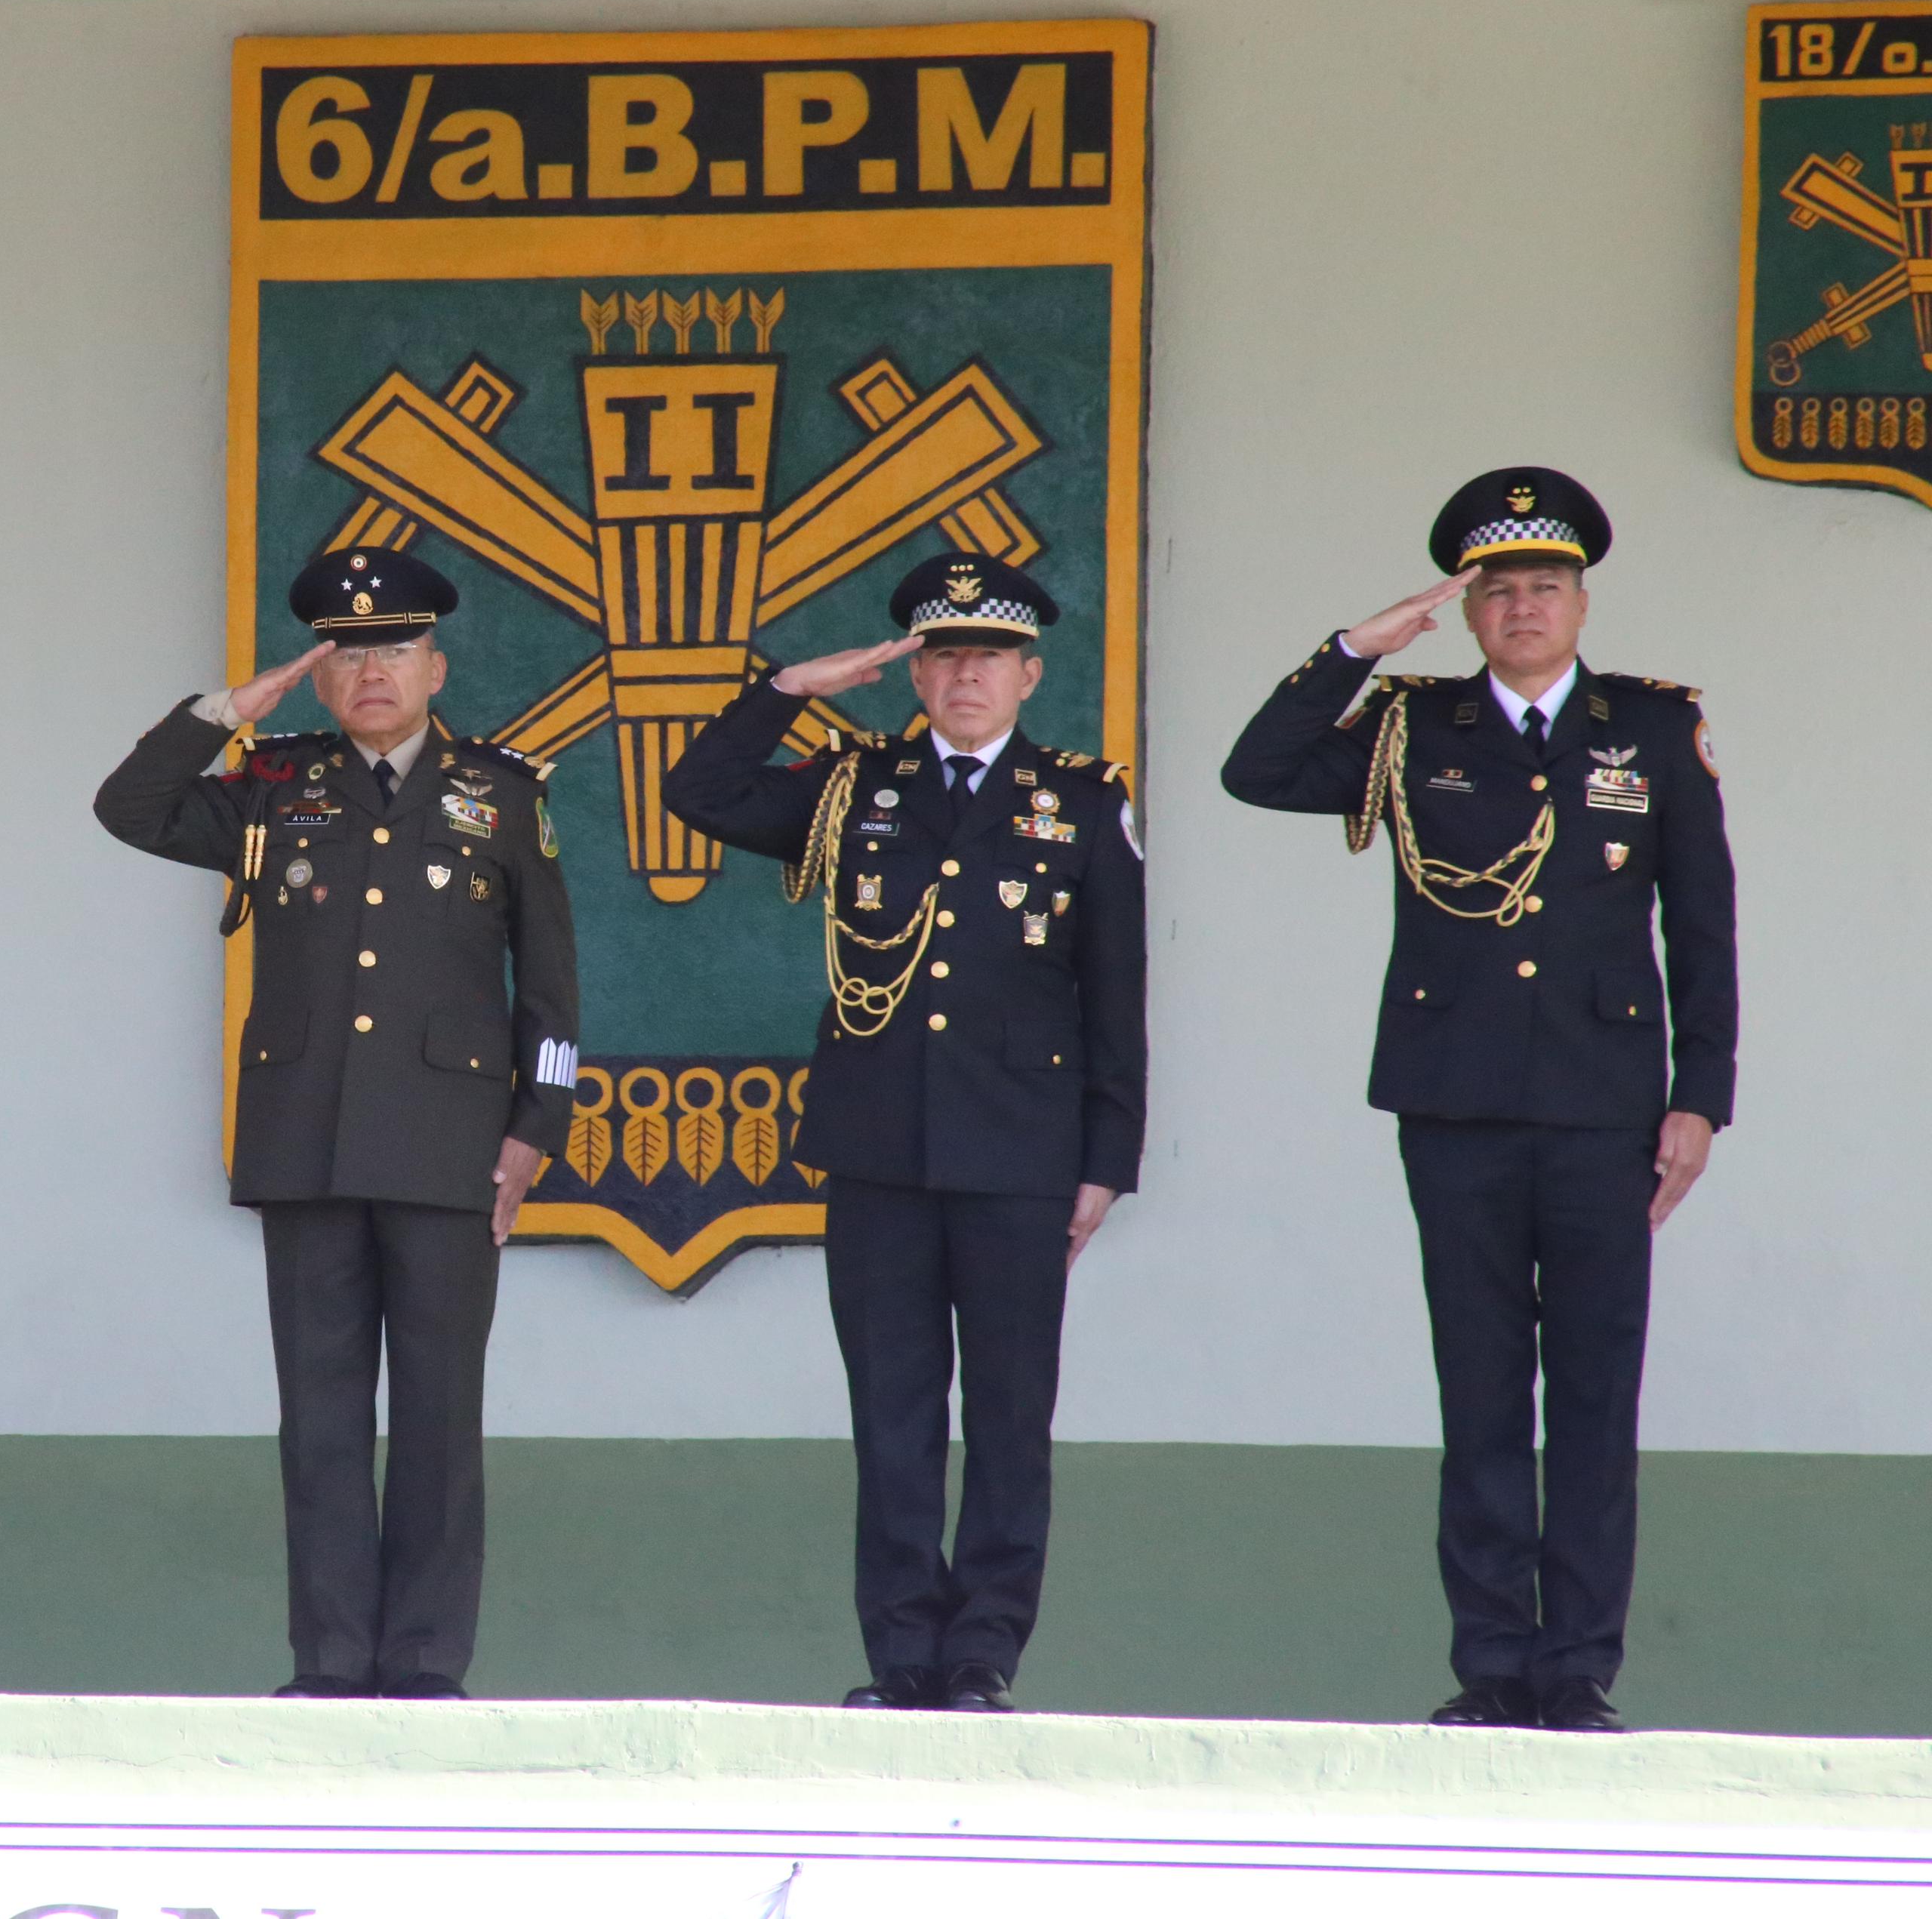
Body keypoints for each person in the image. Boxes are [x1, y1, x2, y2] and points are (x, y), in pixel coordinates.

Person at [1220, 466, 1735, 1733]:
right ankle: (1496, 1665)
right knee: (1483, 1387)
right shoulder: (1413, 728)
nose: (1523, 607)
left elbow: (1702, 924)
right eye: (1498, 590)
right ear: (1466, 610)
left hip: (1608, 1105)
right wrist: (1355, 649)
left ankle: (1580, 1669)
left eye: (1546, 585)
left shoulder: (1650, 729)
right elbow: (1257, 769)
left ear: (1581, 601)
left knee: (1596, 1394)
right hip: (1455, 1102)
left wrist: (1701, 1097)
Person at [662, 550, 1145, 1715]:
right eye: (945, 654)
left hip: (1022, 1153)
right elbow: (700, 793)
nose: (966, 674)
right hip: (880, 1146)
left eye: (990, 655)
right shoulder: (854, 787)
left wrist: (1107, 1159)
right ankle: (902, 1656)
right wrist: (786, 691)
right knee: (892, 1415)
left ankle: (983, 1653)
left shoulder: (1082, 802)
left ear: (1030, 674)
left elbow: (1116, 993)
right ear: (915, 673)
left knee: (1010, 1416)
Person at [94, 546, 578, 1699]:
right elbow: (130, 806)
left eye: (395, 650)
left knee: (439, 1420)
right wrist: (223, 714)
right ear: (319, 676)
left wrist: (536, 1126)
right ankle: (329, 1662)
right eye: (348, 654)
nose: (372, 671)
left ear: (435, 668)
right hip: (308, 1143)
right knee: (318, 1419)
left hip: (453, 1149)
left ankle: (423, 1659)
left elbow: (553, 984)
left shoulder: (503, 794)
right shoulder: (276, 784)